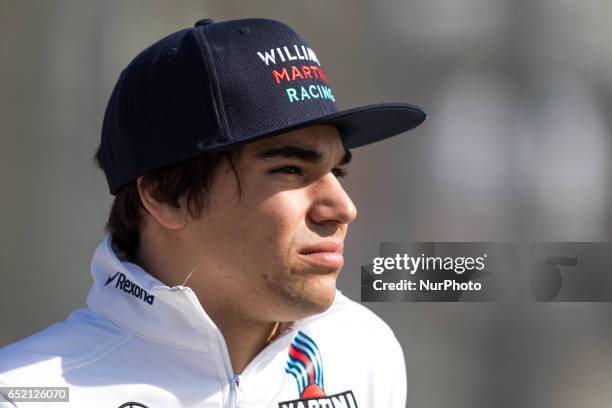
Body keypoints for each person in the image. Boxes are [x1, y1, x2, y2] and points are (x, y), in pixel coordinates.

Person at [0, 17, 426, 407]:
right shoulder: (27, 393)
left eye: (337, 170)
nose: (342, 209)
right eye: (291, 169)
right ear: (166, 196)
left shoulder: (362, 350)